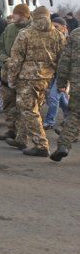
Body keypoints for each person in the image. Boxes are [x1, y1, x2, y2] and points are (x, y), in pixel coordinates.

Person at [5, 6, 64, 157]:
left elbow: (16, 60)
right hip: (46, 79)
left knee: (28, 110)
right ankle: (21, 138)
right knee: (31, 108)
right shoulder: (58, 35)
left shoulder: (25, 34)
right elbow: (62, 60)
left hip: (27, 79)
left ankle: (41, 145)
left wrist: (11, 79)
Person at [0, 4, 31, 141]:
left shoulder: (32, 30)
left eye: (15, 13)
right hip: (7, 73)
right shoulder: (9, 28)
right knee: (8, 103)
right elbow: (0, 46)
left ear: (22, 15)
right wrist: (6, 60)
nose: (12, 15)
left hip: (24, 75)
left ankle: (22, 133)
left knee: (22, 105)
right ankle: (11, 129)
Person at [50, 28, 80, 161]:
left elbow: (65, 60)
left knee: (76, 115)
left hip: (78, 83)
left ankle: (64, 146)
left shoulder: (76, 34)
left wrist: (61, 82)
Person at [43, 17, 70, 130]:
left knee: (53, 97)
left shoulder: (70, 41)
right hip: (54, 72)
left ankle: (49, 122)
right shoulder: (52, 38)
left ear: (64, 27)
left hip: (63, 75)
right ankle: (69, 117)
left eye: (56, 27)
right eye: (52, 26)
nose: (54, 29)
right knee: (61, 97)